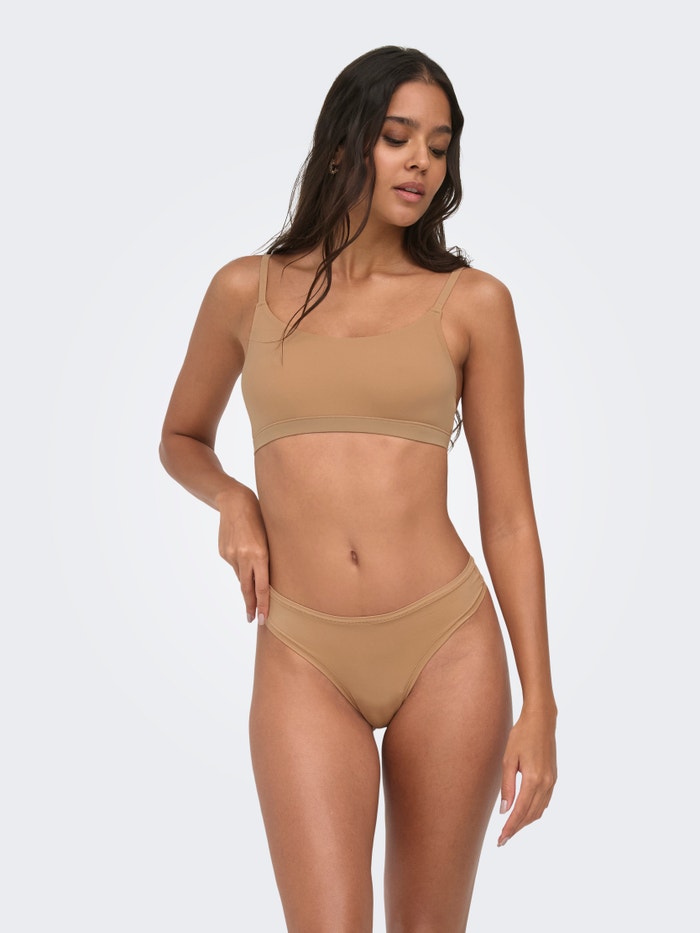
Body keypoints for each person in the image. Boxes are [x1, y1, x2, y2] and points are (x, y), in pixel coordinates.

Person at [159, 45, 557, 932]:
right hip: (303, 649)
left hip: (447, 645)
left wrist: (542, 702)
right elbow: (180, 438)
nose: (421, 162)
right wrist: (232, 499)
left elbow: (509, 518)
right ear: (345, 145)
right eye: (398, 137)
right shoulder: (244, 290)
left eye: (439, 147)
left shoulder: (474, 303)